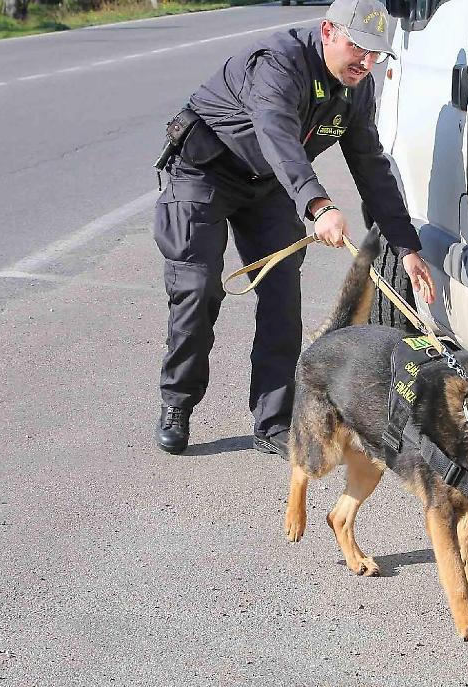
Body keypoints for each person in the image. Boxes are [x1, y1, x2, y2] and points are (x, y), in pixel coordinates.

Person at [153, 0, 436, 456]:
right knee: (198, 288)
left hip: (268, 185)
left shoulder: (356, 86)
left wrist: (405, 246)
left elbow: (370, 165)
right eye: (357, 47)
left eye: (376, 53)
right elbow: (277, 135)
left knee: (283, 296)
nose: (366, 62)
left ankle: (273, 422)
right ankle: (177, 402)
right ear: (328, 32)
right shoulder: (278, 64)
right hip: (205, 172)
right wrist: (318, 205)